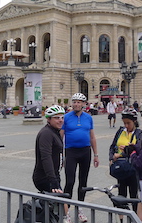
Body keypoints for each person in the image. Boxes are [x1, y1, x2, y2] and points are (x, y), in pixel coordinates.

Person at [62, 93, 99, 222]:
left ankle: (80, 209)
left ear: (84, 104)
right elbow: (60, 137)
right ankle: (66, 213)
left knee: (83, 182)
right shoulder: (66, 118)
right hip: (71, 152)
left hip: (85, 152)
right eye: (74, 102)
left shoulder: (88, 118)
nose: (76, 104)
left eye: (79, 102)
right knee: (70, 181)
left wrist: (96, 155)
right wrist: (60, 156)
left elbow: (92, 137)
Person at [33, 105, 71, 223]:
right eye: (56, 118)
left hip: (53, 175)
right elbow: (46, 157)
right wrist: (53, 181)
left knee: (54, 208)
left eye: (62, 117)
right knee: (60, 202)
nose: (60, 120)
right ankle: (65, 219)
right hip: (45, 177)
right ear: (49, 119)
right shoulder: (46, 133)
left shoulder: (55, 131)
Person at [109, 107, 142, 218]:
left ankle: (135, 218)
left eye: (128, 123)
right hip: (121, 167)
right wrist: (111, 158)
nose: (126, 126)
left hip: (133, 169)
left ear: (134, 121)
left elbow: (139, 151)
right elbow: (113, 146)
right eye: (124, 123)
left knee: (133, 195)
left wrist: (122, 154)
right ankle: (122, 219)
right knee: (121, 194)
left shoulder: (139, 134)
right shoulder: (120, 131)